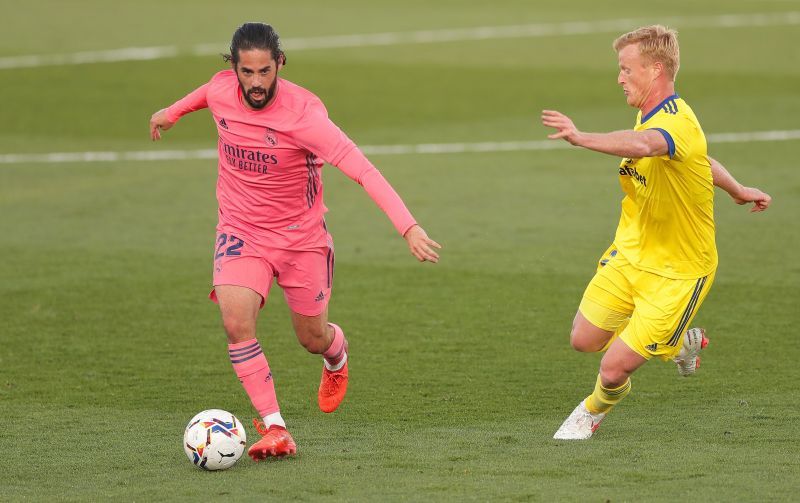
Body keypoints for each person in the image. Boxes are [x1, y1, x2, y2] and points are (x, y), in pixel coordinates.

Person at [149, 22, 441, 459]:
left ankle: (336, 355)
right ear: (234, 68)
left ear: (279, 63)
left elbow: (363, 170)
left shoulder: (304, 118)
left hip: (301, 240)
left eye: (265, 72)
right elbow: (205, 95)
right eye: (247, 72)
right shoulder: (221, 89)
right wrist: (170, 113)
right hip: (240, 231)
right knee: (235, 323)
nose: (256, 83)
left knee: (311, 337)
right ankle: (275, 427)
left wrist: (409, 226)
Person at [541, 25, 771, 440]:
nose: (619, 77)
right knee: (583, 339)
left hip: (680, 271)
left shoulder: (676, 122)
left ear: (656, 70)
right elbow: (698, 161)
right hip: (632, 252)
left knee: (612, 368)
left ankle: (590, 413)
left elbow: (647, 146)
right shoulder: (652, 114)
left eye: (627, 69)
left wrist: (581, 137)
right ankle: (680, 341)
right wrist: (737, 189)